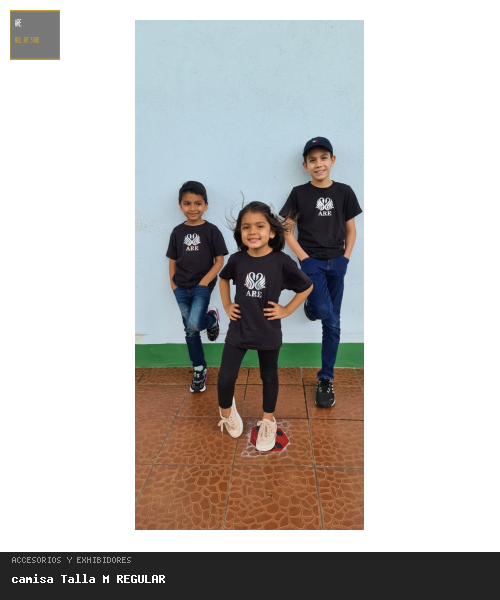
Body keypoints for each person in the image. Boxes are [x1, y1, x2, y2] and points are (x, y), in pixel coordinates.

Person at [217, 201, 313, 451]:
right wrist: (226, 304)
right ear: (240, 233)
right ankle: (226, 412)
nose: (252, 231)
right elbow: (223, 278)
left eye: (259, 226)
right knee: (225, 377)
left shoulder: (281, 261)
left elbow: (307, 286)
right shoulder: (237, 259)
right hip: (239, 329)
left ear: (271, 232)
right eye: (246, 227)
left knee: (269, 376)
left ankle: (268, 420)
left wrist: (287, 310)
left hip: (268, 331)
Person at [280, 136, 363, 408]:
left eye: (323, 158)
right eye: (312, 160)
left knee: (333, 323)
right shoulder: (298, 193)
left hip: (337, 262)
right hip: (311, 263)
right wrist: (304, 259)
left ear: (333, 160)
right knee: (323, 310)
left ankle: (326, 378)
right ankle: (313, 308)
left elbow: (351, 230)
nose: (319, 164)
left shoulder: (345, 192)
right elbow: (287, 231)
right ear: (305, 165)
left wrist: (346, 258)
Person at [166, 181, 228, 393]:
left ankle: (210, 319)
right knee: (190, 331)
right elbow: (172, 259)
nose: (193, 208)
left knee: (193, 325)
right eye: (187, 203)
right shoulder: (177, 232)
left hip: (202, 285)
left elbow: (219, 260)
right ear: (180, 206)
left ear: (206, 205)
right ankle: (199, 369)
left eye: (198, 203)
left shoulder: (211, 230)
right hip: (180, 286)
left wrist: (204, 282)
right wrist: (173, 284)